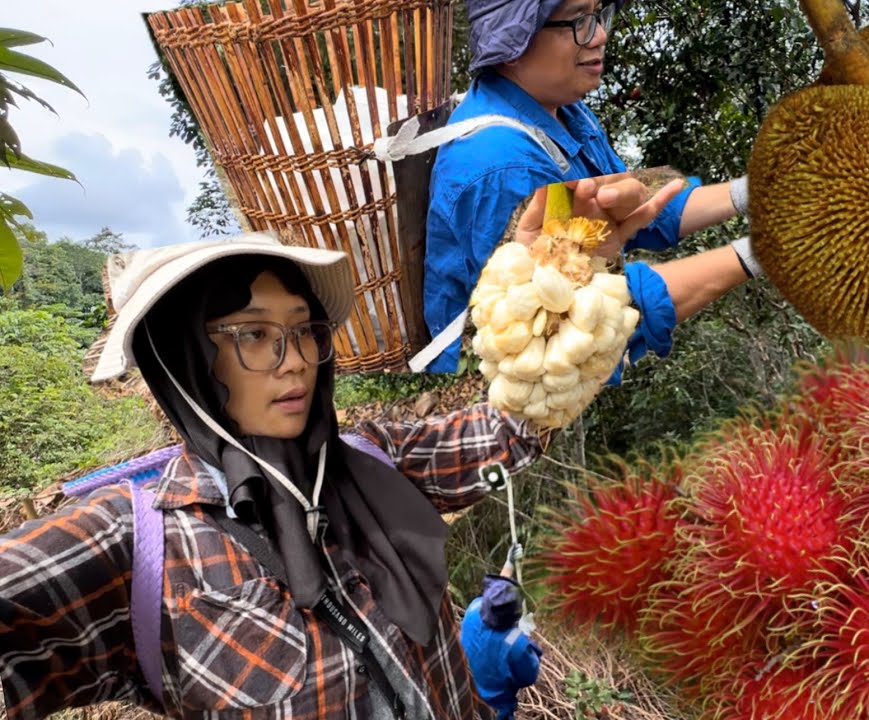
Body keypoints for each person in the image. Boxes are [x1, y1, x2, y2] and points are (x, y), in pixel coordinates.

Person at [0, 179, 673, 719]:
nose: (295, 363)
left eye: (303, 329)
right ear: (183, 362)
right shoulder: (135, 545)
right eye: (254, 335)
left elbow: (509, 430)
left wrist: (557, 274)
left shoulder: (368, 460)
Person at [424, 0, 761, 375]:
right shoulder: (505, 165)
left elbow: (638, 201)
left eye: (599, 15)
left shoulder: (562, 108)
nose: (600, 35)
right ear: (513, 40)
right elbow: (580, 323)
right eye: (579, 21)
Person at [459, 544, 541, 719]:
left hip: (465, 699)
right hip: (494, 711)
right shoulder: (516, 643)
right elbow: (529, 676)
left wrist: (509, 564)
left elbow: (495, 599)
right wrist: (524, 634)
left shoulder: (474, 609)